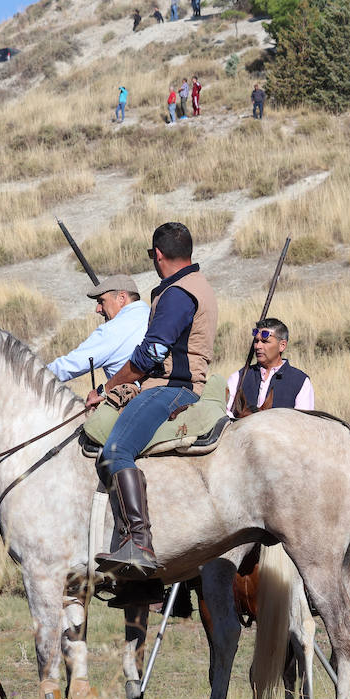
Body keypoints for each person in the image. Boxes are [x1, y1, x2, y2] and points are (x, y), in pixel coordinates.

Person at [85, 223, 216, 578]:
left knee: (115, 451)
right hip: (174, 383)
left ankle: (139, 540)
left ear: (157, 256)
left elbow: (151, 353)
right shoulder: (194, 285)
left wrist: (110, 387)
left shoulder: (177, 293)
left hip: (172, 386)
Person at [47, 275, 149, 382]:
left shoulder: (112, 330)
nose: (98, 309)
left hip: (138, 397)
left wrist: (32, 375)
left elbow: (69, 366)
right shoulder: (153, 315)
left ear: (121, 298)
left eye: (102, 301)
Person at [226, 318, 313, 417]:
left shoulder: (300, 382)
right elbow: (226, 416)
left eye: (265, 342)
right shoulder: (239, 377)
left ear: (282, 346)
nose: (258, 346)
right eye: (256, 341)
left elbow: (303, 423)